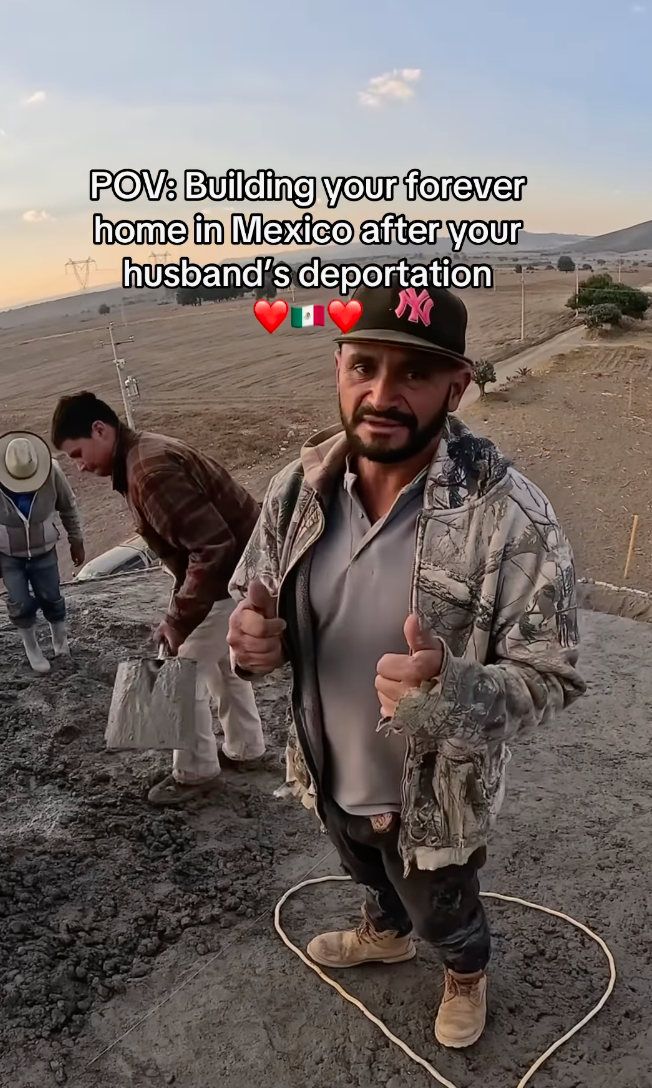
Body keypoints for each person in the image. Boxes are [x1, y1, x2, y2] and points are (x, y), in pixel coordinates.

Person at [226, 282, 586, 1049]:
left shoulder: (509, 515)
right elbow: (264, 622)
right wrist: (260, 644)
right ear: (338, 365)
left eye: (413, 374)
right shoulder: (297, 488)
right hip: (325, 764)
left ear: (457, 384)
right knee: (363, 867)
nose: (381, 394)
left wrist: (449, 691)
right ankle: (382, 931)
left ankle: (464, 970)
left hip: (432, 796)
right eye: (364, 366)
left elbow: (552, 676)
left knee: (442, 906)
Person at [50, 393, 266, 805]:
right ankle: (246, 749)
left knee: (180, 675)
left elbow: (211, 548)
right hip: (243, 572)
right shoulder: (144, 452)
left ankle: (195, 773)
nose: (79, 466)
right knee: (223, 665)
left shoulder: (148, 471)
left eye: (78, 453)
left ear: (100, 429)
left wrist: (179, 618)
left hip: (226, 575)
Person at [0, 430, 85, 673]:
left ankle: (60, 645)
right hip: (8, 554)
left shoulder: (53, 472)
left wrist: (76, 540)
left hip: (44, 551)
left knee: (51, 597)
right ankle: (33, 649)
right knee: (20, 602)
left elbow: (68, 507)